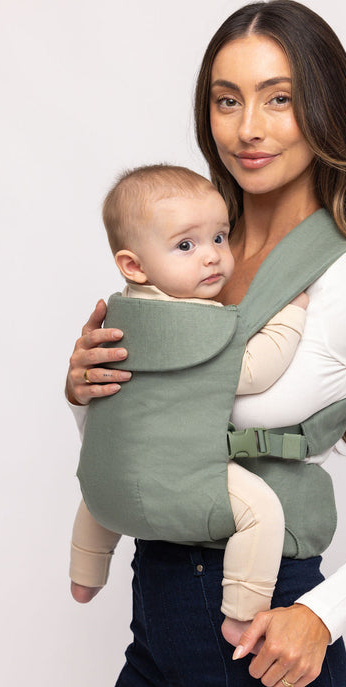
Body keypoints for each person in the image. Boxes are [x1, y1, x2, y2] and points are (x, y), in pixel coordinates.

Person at [66, 0, 346, 687]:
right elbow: (152, 436)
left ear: (324, 108)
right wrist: (85, 392)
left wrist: (322, 613)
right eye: (227, 99)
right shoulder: (185, 251)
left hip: (267, 638)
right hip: (155, 631)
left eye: (278, 98)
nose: (247, 127)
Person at [70, 162, 309, 642]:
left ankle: (85, 572)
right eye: (186, 245)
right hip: (180, 476)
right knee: (262, 511)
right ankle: (241, 610)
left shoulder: (119, 315)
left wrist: (73, 390)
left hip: (111, 481)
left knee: (101, 488)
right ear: (134, 264)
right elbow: (254, 369)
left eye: (220, 238)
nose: (213, 257)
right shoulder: (195, 326)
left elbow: (97, 404)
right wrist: (292, 316)